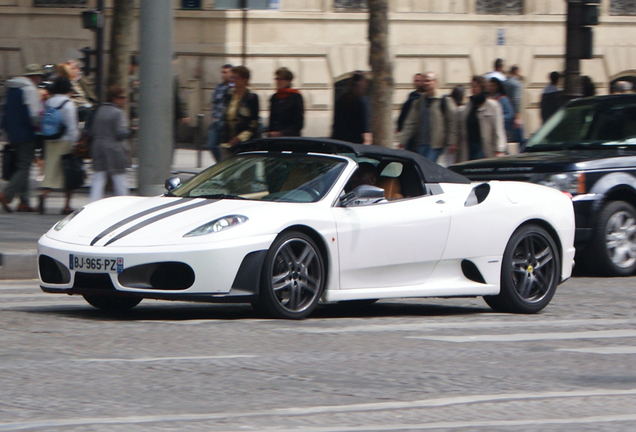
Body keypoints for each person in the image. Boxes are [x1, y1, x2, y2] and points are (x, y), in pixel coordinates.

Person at [0, 64, 45, 213]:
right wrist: (39, 126)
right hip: (26, 133)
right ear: (34, 77)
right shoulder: (30, 89)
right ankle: (7, 194)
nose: (40, 80)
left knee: (21, 165)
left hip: (12, 133)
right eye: (39, 77)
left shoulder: (12, 89)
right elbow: (34, 115)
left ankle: (24, 201)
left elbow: (4, 111)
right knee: (24, 166)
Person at [38, 76, 79, 215]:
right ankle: (66, 205)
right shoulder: (68, 104)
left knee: (51, 171)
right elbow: (72, 126)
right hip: (65, 141)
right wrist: (75, 143)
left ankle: (44, 194)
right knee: (68, 173)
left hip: (50, 141)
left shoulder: (48, 102)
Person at [87, 86, 131, 202]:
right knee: (119, 178)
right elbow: (121, 133)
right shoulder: (118, 113)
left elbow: (92, 130)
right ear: (114, 98)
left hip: (98, 146)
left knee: (99, 177)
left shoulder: (100, 110)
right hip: (114, 149)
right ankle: (124, 202)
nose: (124, 100)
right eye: (122, 97)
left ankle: (93, 202)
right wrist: (132, 130)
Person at [399, 72, 456, 163]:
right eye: (424, 81)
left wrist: (452, 142)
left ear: (435, 82)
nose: (426, 83)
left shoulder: (444, 100)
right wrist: (403, 140)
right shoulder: (419, 101)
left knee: (428, 167)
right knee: (422, 168)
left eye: (428, 80)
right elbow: (411, 122)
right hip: (421, 143)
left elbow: (452, 122)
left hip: (436, 144)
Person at [455, 75, 506, 162]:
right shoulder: (468, 106)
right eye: (472, 86)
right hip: (469, 146)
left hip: (484, 147)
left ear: (482, 87)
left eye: (475, 86)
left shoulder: (492, 105)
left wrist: (499, 149)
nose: (473, 89)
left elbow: (498, 129)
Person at [219, 65, 260, 161]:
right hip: (228, 140)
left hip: (245, 142)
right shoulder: (228, 94)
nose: (234, 80)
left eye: (237, 78)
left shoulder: (252, 97)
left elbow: (254, 123)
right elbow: (225, 115)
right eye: (232, 77)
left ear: (245, 80)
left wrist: (240, 138)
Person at [332, 71, 372, 145]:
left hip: (340, 141)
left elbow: (336, 123)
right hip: (355, 144)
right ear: (364, 84)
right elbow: (365, 126)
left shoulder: (341, 99)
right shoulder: (362, 101)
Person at [207, 63, 233, 162]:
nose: (224, 74)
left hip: (226, 124)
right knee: (211, 145)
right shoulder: (218, 87)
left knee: (226, 148)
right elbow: (214, 102)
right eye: (222, 72)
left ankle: (225, 165)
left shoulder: (233, 88)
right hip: (216, 121)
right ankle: (220, 163)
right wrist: (213, 116)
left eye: (226, 72)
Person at [268, 67, 304, 137]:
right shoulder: (274, 97)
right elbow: (272, 119)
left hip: (290, 138)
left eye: (280, 79)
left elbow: (298, 123)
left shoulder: (295, 96)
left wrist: (282, 133)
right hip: (274, 138)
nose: (278, 82)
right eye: (277, 79)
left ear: (288, 81)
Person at [488, 77, 514, 143]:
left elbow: (510, 114)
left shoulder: (503, 99)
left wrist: (498, 118)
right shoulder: (488, 98)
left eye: (493, 86)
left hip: (501, 130)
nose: (491, 88)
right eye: (489, 86)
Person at [505, 65, 525, 147]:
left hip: (506, 112)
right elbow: (516, 100)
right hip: (513, 113)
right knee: (520, 138)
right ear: (516, 72)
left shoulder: (505, 82)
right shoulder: (517, 84)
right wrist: (518, 116)